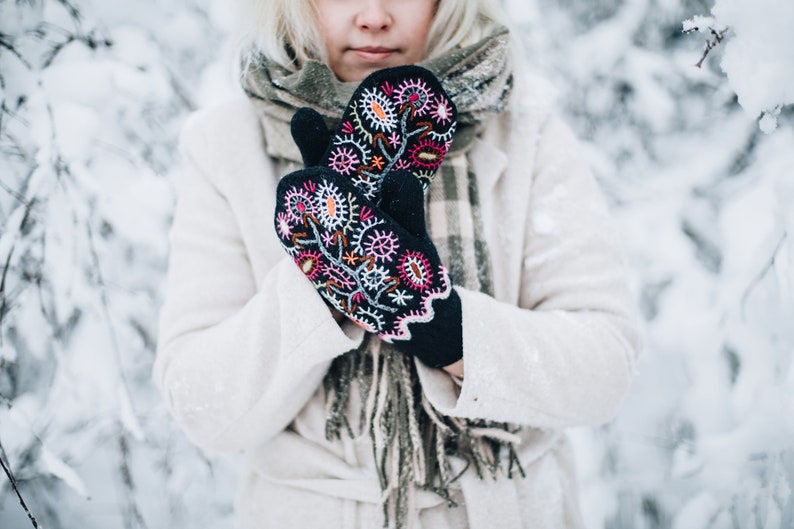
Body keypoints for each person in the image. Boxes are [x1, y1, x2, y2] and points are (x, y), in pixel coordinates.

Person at [153, 0, 642, 528]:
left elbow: (605, 369)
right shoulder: (227, 147)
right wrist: (327, 276)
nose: (374, 16)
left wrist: (447, 332)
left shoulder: (527, 135)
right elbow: (204, 406)